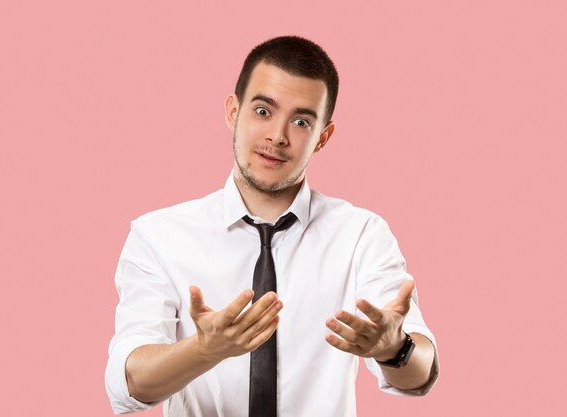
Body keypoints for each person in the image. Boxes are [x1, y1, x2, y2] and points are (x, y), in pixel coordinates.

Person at [105, 35, 439, 416]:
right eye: (263, 111)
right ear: (234, 111)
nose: (277, 137)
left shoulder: (361, 235)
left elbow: (420, 372)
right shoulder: (158, 237)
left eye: (300, 121)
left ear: (322, 138)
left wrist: (394, 349)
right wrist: (204, 350)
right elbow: (127, 382)